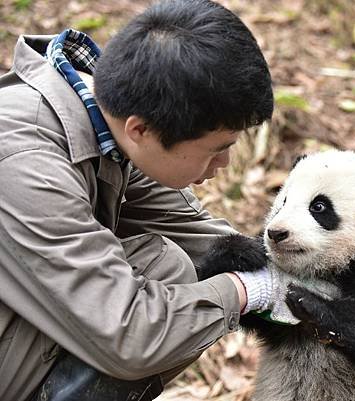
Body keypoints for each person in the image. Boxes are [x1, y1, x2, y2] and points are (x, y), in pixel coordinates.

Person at [0, 1, 298, 400]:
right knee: (164, 270)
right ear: (141, 130)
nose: (225, 163)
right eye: (216, 149)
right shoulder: (27, 162)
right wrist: (249, 292)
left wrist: (305, 276)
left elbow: (205, 240)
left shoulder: (110, 120)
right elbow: (130, 335)